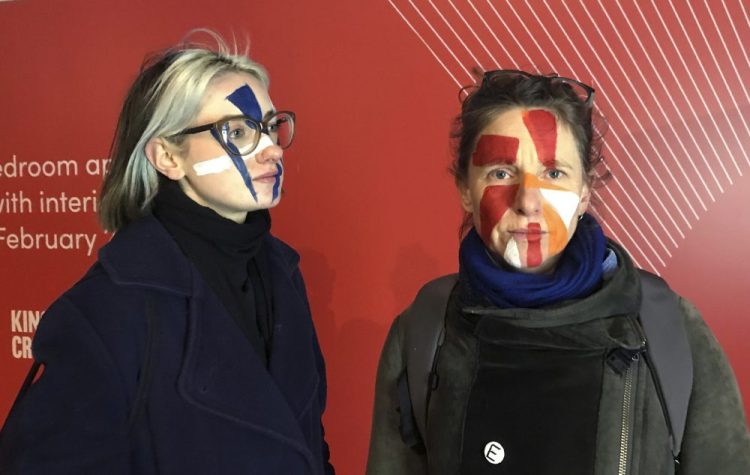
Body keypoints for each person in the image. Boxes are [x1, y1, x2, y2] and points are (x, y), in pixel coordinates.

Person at [367, 70, 750, 474]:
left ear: (584, 192)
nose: (528, 201)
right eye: (501, 172)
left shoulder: (669, 329)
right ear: (466, 188)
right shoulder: (423, 331)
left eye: (553, 173)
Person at [0, 31, 334, 474]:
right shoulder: (105, 313)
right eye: (237, 131)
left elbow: (306, 445)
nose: (272, 147)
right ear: (166, 157)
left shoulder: (283, 273)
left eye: (271, 126)